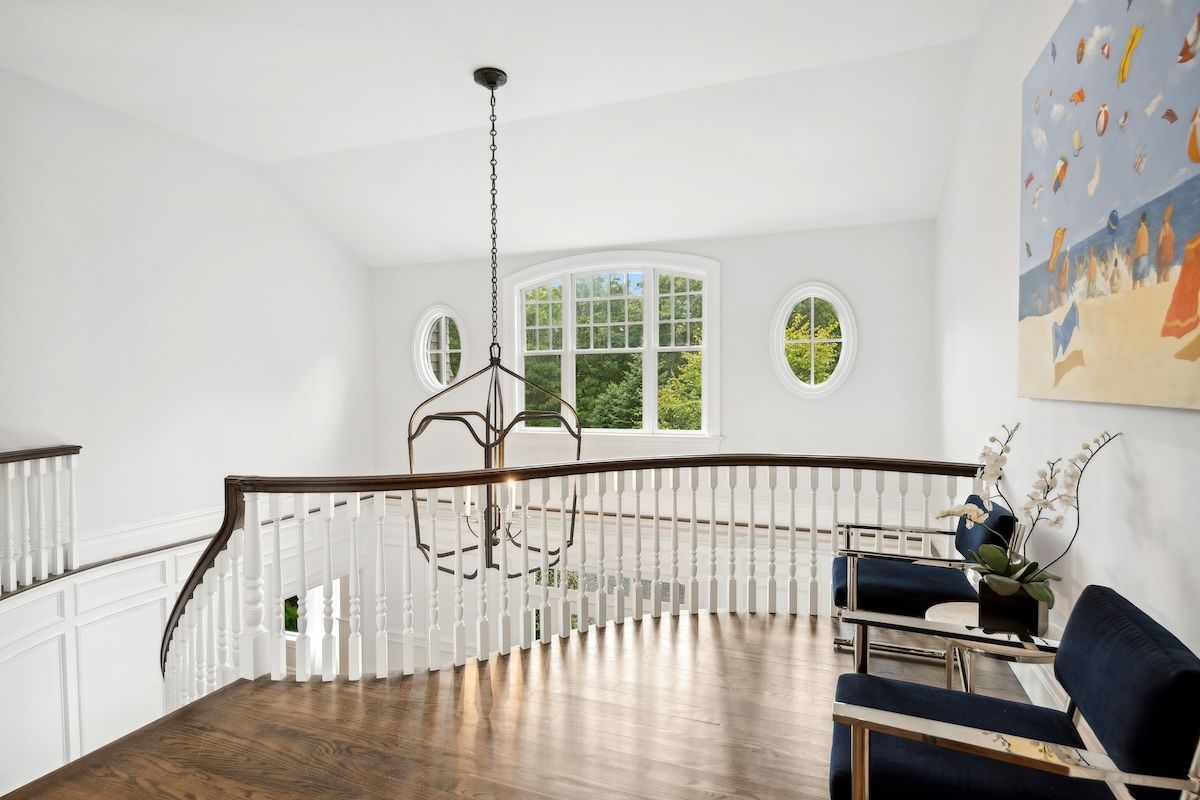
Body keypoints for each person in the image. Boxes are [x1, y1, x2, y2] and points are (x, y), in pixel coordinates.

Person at [1162, 234, 1200, 339]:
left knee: (1187, 289)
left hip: (1192, 253)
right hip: (1193, 256)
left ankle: (1181, 325)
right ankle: (1181, 326)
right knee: (1187, 289)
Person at [1157, 203, 1176, 284]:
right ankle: (1167, 284)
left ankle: (1161, 285)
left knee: (1162, 270)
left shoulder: (1163, 228)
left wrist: (1158, 251)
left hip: (1164, 252)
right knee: (1167, 271)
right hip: (1170, 252)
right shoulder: (1171, 228)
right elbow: (1174, 240)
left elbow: (1159, 241)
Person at [1133, 212, 1151, 289]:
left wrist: (1134, 258)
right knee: (1142, 281)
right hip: (1145, 257)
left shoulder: (1139, 231)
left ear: (1141, 220)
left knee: (1135, 281)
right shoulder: (1146, 230)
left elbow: (1137, 245)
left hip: (1139, 257)